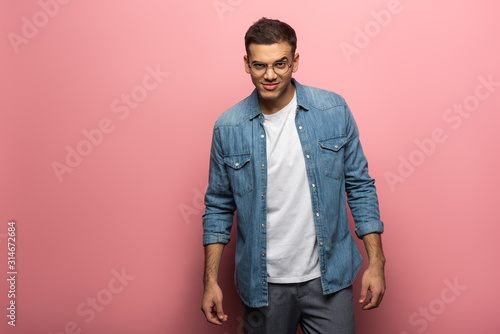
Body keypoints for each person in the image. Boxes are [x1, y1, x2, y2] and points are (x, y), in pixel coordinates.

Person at [201, 17, 386, 334]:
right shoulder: (228, 128)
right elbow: (218, 207)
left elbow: (360, 187)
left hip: (330, 279)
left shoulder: (333, 110)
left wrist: (376, 263)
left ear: (295, 61)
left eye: (280, 64)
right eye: (260, 65)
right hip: (262, 286)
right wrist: (210, 282)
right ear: (247, 64)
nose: (270, 75)